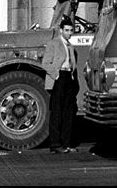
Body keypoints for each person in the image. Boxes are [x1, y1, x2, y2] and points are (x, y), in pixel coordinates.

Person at [42, 17, 79, 153]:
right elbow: (45, 63)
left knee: (68, 112)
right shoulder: (53, 44)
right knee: (57, 112)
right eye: (67, 30)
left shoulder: (71, 46)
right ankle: (55, 144)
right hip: (59, 78)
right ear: (61, 30)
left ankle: (66, 144)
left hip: (69, 77)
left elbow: (72, 65)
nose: (70, 33)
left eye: (71, 31)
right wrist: (56, 75)